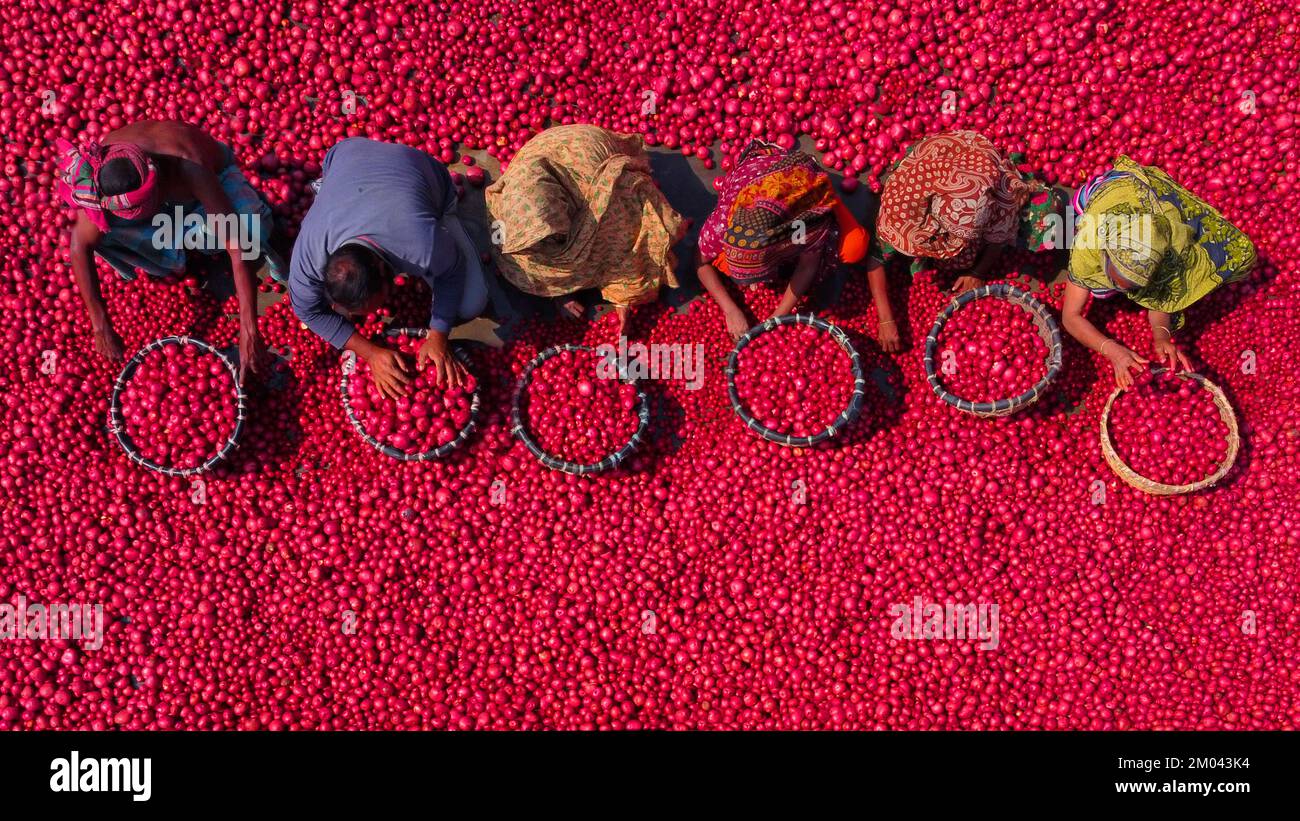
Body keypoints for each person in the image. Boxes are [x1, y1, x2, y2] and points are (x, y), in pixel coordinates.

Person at [61, 120, 282, 381]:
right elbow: (79, 245)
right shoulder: (106, 174)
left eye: (142, 209)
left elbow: (235, 244)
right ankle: (172, 257)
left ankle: (184, 243)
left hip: (214, 181)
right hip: (168, 207)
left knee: (251, 229)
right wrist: (100, 325)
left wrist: (248, 327)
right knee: (103, 235)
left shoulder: (189, 165)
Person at [289, 137, 488, 399]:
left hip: (425, 176)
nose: (375, 313)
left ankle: (449, 218)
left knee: (471, 302)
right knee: (326, 305)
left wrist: (439, 333)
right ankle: (330, 188)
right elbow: (307, 311)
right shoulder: (310, 256)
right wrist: (370, 353)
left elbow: (452, 270)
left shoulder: (420, 244)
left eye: (375, 303)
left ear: (387, 273)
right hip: (346, 154)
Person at [1061, 155, 1257, 388]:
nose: (1128, 291)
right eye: (1117, 278)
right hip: (1114, 191)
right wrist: (1111, 350)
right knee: (1098, 288)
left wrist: (1161, 335)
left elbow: (1159, 299)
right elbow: (1070, 317)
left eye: (1134, 286)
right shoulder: (1089, 242)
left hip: (1153, 200)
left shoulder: (1167, 249)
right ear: (1105, 254)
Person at [484, 124, 684, 335]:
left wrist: (623, 303)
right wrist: (559, 293)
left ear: (562, 208)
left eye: (550, 235)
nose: (543, 244)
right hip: (545, 155)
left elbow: (630, 249)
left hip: (584, 150)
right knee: (528, 262)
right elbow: (526, 259)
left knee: (629, 227)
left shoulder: (606, 199)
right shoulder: (511, 200)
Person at [695, 140, 889, 347]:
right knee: (725, 264)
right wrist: (730, 310)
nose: (756, 284)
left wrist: (777, 317)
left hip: (804, 184)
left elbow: (808, 263)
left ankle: (826, 192)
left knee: (854, 246)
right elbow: (700, 261)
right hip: (756, 179)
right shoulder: (725, 222)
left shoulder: (800, 222)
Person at [874, 130, 1064, 294]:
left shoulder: (990, 186)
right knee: (910, 250)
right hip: (937, 166)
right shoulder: (903, 202)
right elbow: (876, 255)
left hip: (965, 172)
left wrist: (977, 273)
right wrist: (886, 320)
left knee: (1043, 217)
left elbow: (996, 232)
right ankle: (926, 256)